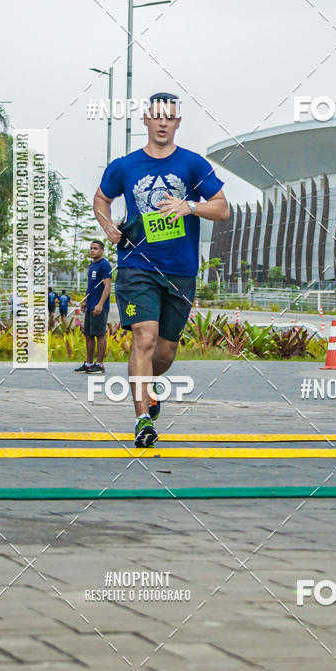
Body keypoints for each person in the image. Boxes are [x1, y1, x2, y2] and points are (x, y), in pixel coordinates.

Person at [93, 91, 229, 448]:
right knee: (144, 337)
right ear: (146, 120)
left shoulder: (193, 164)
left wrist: (191, 207)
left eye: (170, 116)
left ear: (178, 122)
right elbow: (100, 198)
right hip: (136, 265)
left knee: (165, 352)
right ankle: (141, 420)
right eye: (157, 116)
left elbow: (222, 208)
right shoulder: (125, 166)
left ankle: (149, 389)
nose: (163, 122)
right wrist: (107, 225)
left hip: (180, 270)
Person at [75, 240, 112, 374]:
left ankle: (100, 364)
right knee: (89, 334)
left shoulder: (105, 265)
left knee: (100, 335)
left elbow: (107, 286)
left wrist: (100, 304)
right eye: (91, 248)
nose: (92, 250)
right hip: (90, 305)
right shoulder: (92, 265)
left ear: (101, 251)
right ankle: (89, 363)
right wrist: (85, 300)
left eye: (95, 248)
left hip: (99, 306)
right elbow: (91, 285)